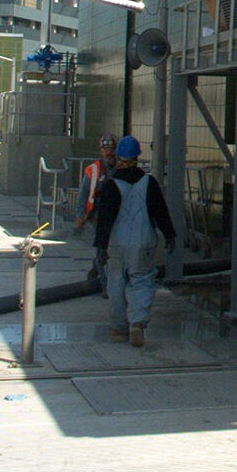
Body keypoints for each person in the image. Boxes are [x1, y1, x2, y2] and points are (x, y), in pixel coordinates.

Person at [93, 135, 176, 347]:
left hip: (118, 242)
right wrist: (170, 235)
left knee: (117, 282)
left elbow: (105, 219)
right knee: (142, 280)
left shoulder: (112, 185)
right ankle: (137, 322)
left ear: (119, 157)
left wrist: (101, 246)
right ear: (138, 157)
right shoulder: (149, 183)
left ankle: (119, 327)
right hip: (143, 241)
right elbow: (161, 212)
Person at [74, 132, 118, 285]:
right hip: (97, 217)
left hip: (116, 216)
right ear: (101, 151)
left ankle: (95, 268)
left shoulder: (120, 168)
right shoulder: (93, 170)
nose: (109, 153)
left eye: (112, 149)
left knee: (106, 250)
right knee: (103, 249)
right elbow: (83, 194)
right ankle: (104, 283)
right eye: (106, 149)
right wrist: (80, 216)